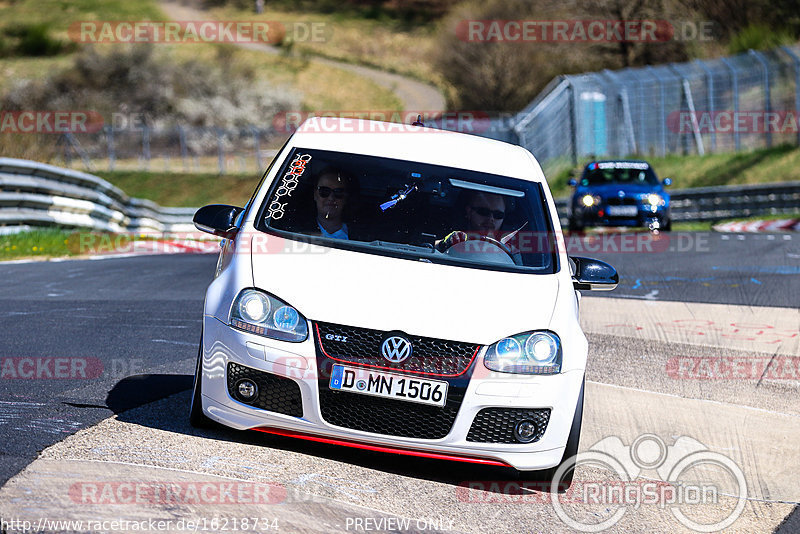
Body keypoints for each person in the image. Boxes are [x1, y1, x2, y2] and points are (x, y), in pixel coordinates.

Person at [437, 191, 509, 251]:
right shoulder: (453, 240)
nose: (491, 219)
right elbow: (427, 248)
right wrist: (444, 243)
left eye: (498, 215)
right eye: (484, 212)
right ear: (469, 211)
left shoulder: (511, 251)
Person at [311, 168, 354, 240]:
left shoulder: (363, 237)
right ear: (315, 195)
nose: (331, 198)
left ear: (346, 197)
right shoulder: (294, 231)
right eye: (324, 191)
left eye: (338, 192)